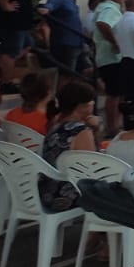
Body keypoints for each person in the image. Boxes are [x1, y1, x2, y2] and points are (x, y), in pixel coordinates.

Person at [40, 81, 101, 211]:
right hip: (67, 194)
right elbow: (92, 166)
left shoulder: (53, 124)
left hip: (47, 191)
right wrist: (96, 130)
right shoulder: (81, 131)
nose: (94, 104)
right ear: (81, 106)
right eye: (91, 101)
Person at [91, 0, 127, 135]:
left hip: (106, 56)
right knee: (114, 93)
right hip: (111, 56)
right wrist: (115, 42)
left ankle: (115, 124)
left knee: (115, 92)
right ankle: (112, 126)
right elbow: (103, 24)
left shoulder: (103, 6)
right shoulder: (110, 7)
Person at [44, 0, 87, 74]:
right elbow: (50, 5)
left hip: (78, 42)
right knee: (67, 75)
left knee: (87, 71)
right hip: (66, 44)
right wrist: (46, 9)